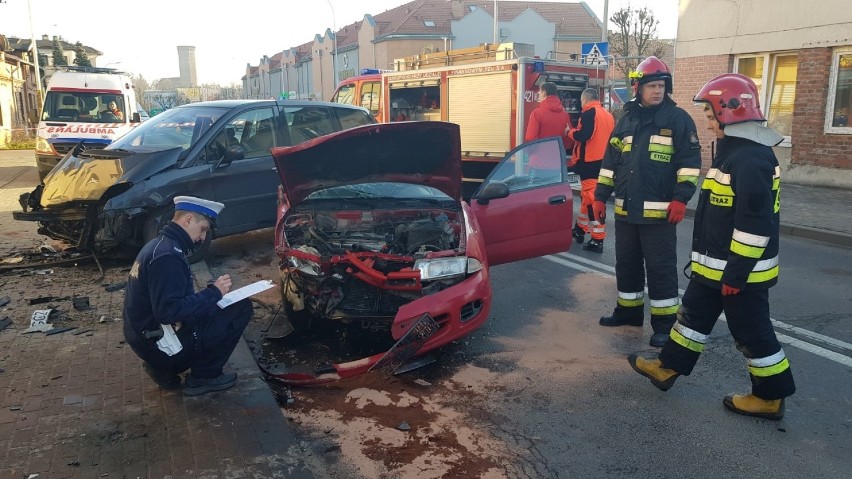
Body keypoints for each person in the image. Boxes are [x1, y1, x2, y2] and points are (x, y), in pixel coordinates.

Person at [628, 73, 794, 419]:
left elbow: (754, 225)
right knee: (691, 319)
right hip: (714, 269)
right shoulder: (734, 153)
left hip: (738, 274)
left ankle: (770, 397)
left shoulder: (750, 159)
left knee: (753, 333)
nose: (706, 122)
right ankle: (667, 367)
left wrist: (736, 273)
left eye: (709, 114)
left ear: (729, 111)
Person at [593, 56, 701, 347]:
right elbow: (610, 162)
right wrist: (600, 197)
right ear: (637, 88)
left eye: (661, 85)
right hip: (627, 210)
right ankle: (628, 313)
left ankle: (665, 325)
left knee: (660, 268)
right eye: (651, 85)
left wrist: (681, 200)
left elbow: (690, 165)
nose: (657, 91)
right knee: (626, 264)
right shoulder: (626, 119)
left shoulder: (678, 120)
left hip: (660, 213)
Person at [123, 196, 253, 396]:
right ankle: (204, 376)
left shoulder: (160, 246)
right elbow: (169, 312)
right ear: (188, 220)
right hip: (162, 345)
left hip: (148, 338)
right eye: (202, 229)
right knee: (240, 308)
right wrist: (214, 294)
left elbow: (172, 300)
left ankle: (161, 368)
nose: (202, 237)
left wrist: (213, 294)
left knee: (220, 304)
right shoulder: (168, 257)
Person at [565, 88, 615, 253]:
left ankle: (597, 240)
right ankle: (580, 230)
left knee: (593, 201)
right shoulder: (607, 115)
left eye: (581, 101)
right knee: (587, 198)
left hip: (590, 163)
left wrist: (569, 132)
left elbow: (583, 135)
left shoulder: (589, 113)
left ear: (584, 100)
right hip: (604, 162)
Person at [525, 82, 574, 171]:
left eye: (539, 91)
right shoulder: (565, 115)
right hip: (557, 163)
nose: (538, 94)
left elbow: (531, 139)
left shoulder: (537, 114)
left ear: (544, 93)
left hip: (538, 163)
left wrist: (530, 154)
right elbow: (568, 140)